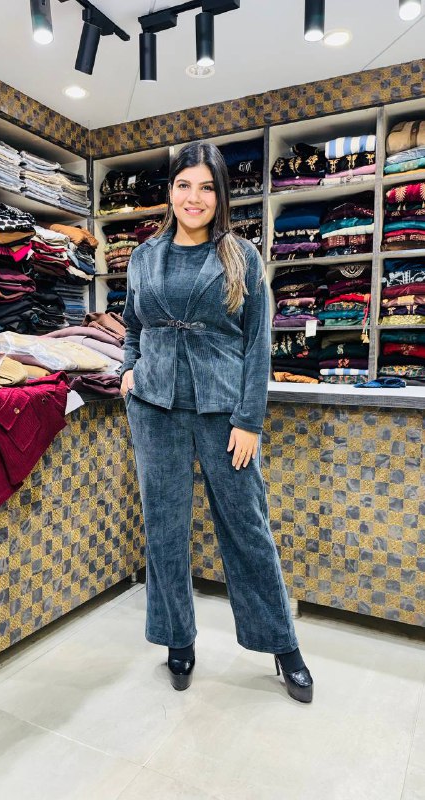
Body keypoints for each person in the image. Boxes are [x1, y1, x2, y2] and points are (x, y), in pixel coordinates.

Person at [119, 141, 313, 703]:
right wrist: (129, 369)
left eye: (206, 187)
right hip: (155, 406)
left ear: (220, 194)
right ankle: (177, 638)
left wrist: (249, 419)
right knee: (164, 525)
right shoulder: (143, 256)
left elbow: (257, 344)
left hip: (224, 412)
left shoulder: (241, 255)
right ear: (170, 191)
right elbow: (132, 324)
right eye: (184, 185)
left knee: (247, 526)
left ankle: (283, 645)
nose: (194, 197)